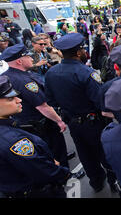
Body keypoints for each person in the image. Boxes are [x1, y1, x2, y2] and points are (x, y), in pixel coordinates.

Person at [44, 33, 118, 193]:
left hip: (72, 122)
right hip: (93, 122)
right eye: (83, 49)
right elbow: (100, 102)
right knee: (104, 153)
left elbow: (51, 101)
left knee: (85, 154)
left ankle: (96, 182)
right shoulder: (86, 73)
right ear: (78, 53)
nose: (85, 52)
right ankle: (113, 182)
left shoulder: (51, 73)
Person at [0, 44, 82, 175]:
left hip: (27, 122)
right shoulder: (24, 80)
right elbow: (43, 106)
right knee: (55, 147)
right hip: (41, 122)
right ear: (19, 61)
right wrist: (59, 121)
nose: (32, 59)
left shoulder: (11, 75)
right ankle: (65, 173)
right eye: (28, 57)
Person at [0, 75, 71, 198]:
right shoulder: (12, 140)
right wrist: (61, 171)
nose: (19, 100)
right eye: (11, 99)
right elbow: (41, 169)